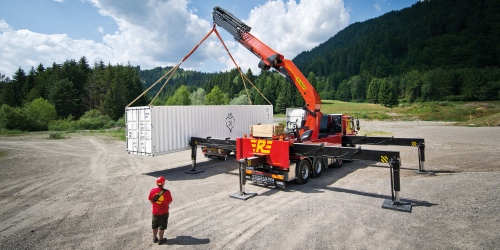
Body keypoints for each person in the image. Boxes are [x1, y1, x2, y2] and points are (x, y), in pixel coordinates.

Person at [148, 176, 172, 245]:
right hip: (164, 212)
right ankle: (161, 240)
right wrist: (165, 205)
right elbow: (170, 201)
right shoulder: (167, 192)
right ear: (163, 183)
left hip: (155, 212)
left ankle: (155, 238)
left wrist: (154, 204)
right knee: (161, 226)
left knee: (154, 225)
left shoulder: (153, 190)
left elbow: (150, 199)